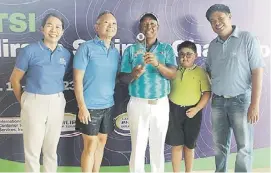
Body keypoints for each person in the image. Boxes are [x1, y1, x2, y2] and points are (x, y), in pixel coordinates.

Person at [205, 4, 264, 172]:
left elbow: (257, 71)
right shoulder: (213, 45)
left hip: (241, 101)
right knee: (219, 146)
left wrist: (254, 104)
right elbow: (209, 70)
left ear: (229, 16)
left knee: (244, 147)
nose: (217, 23)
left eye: (220, 18)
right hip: (218, 102)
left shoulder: (247, 38)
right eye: (212, 21)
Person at [9, 13, 71, 172]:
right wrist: (24, 100)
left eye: (58, 27)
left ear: (62, 31)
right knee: (32, 151)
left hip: (57, 101)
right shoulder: (29, 51)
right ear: (42, 29)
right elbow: (15, 80)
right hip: (34, 101)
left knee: (51, 150)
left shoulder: (65, 54)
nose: (54, 30)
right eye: (50, 25)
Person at [119, 12, 177, 173]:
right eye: (145, 24)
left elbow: (173, 74)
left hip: (160, 103)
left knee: (158, 146)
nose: (149, 27)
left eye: (152, 24)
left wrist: (158, 64)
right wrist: (134, 75)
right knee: (137, 145)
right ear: (140, 28)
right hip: (138, 103)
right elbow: (122, 78)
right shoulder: (131, 50)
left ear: (157, 27)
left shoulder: (166, 49)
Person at [73, 11, 120, 172]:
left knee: (101, 142)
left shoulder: (115, 51)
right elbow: (77, 80)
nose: (110, 26)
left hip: (108, 105)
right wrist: (82, 107)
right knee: (90, 146)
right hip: (89, 106)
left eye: (114, 23)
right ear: (97, 26)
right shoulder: (86, 48)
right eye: (106, 23)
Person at [165, 41, 211, 172]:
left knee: (189, 146)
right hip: (173, 111)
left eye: (189, 54)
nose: (184, 57)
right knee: (176, 145)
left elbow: (207, 93)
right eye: (181, 54)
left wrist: (196, 109)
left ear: (195, 55)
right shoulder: (172, 71)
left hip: (193, 112)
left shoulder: (200, 72)